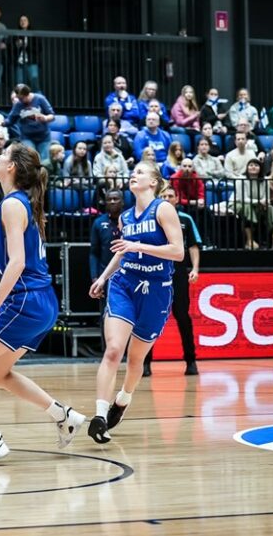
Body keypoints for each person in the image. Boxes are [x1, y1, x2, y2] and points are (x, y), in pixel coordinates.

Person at [0, 143, 86, 466]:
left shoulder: (12, 205)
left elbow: (18, 264)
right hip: (41, 301)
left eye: (2, 155)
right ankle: (63, 415)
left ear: (11, 167)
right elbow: (14, 257)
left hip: (24, 300)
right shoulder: (19, 204)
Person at [86, 160, 184, 443]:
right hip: (125, 285)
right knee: (114, 349)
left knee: (136, 358)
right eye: (133, 171)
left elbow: (177, 252)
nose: (134, 175)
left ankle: (124, 398)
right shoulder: (125, 217)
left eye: (140, 172)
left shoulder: (164, 209)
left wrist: (137, 246)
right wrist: (103, 277)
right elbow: (121, 252)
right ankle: (100, 416)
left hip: (156, 291)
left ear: (153, 182)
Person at [143, 186, 201, 377]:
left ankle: (191, 361)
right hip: (155, 273)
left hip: (178, 274)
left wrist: (194, 268)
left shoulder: (185, 219)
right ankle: (145, 364)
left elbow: (192, 245)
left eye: (171, 196)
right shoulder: (151, 219)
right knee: (149, 318)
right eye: (164, 196)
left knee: (182, 316)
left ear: (177, 198)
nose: (167, 198)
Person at [89, 189, 123, 348]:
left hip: (129, 274)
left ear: (122, 202)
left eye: (116, 199)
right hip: (107, 277)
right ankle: (107, 350)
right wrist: (96, 277)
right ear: (105, 202)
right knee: (106, 314)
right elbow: (93, 253)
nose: (113, 202)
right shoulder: (98, 223)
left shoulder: (129, 220)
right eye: (110, 199)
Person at [6, 84, 55, 163]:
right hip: (27, 137)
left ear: (27, 94)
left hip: (43, 137)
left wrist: (45, 118)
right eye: (18, 98)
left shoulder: (40, 99)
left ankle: (42, 175)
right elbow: (10, 120)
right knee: (30, 160)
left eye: (21, 98)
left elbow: (52, 115)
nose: (20, 100)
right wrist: (2, 123)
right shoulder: (19, 104)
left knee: (45, 162)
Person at [11, 14, 41, 92]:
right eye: (21, 20)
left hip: (31, 62)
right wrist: (17, 45)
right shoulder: (16, 34)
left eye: (25, 20)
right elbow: (11, 49)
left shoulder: (34, 34)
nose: (22, 22)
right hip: (19, 62)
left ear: (28, 22)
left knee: (34, 81)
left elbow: (39, 48)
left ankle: (39, 102)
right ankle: (21, 103)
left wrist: (25, 45)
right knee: (19, 84)